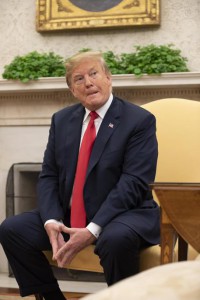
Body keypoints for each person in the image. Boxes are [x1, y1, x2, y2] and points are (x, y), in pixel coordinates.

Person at [0, 51, 160, 300]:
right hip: (70, 214)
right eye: (78, 78)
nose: (88, 82)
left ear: (108, 78)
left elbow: (134, 183)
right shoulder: (62, 120)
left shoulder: (139, 120)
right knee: (13, 229)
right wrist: (51, 220)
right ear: (72, 90)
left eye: (94, 73)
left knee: (115, 239)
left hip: (125, 214)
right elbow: (49, 175)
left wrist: (93, 229)